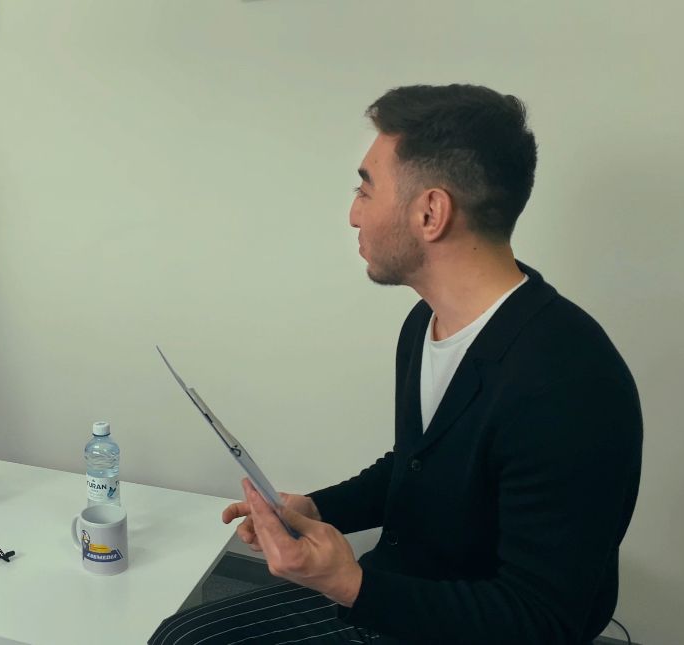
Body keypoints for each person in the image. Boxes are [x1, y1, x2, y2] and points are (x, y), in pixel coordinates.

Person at [151, 84, 642, 644]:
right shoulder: (426, 323)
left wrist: (349, 585)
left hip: (464, 623)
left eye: (366, 188)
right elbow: (417, 467)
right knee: (179, 636)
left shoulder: (570, 382)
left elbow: (542, 621)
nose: (353, 214)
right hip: (398, 593)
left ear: (430, 212)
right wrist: (316, 507)